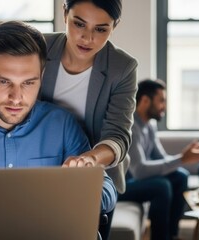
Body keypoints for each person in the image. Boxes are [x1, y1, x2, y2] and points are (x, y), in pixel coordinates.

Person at [0, 21, 117, 239]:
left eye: (28, 83)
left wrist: (81, 192)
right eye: (3, 81)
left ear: (41, 77)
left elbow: (107, 190)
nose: (16, 98)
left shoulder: (61, 124)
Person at [39, 1, 137, 238]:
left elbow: (118, 135)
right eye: (79, 24)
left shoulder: (122, 67)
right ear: (64, 14)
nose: (87, 37)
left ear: (115, 26)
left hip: (94, 178)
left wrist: (90, 159)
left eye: (101, 29)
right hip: (39, 167)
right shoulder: (38, 47)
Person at [118, 79, 199, 240]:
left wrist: (184, 157)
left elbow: (161, 159)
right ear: (145, 100)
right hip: (121, 187)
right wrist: (182, 158)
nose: (164, 107)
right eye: (161, 101)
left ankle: (172, 235)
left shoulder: (150, 125)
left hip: (136, 181)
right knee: (161, 186)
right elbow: (140, 171)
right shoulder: (131, 126)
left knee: (180, 176)